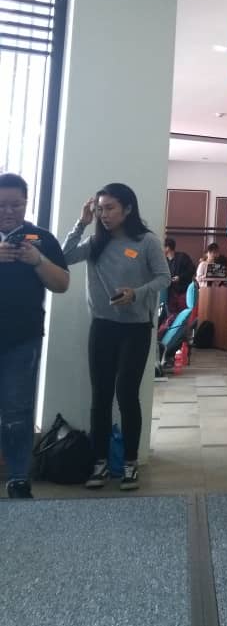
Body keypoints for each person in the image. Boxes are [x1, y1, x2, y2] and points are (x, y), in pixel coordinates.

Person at [62, 183, 170, 491]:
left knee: (126, 394)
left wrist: (136, 293)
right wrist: (81, 223)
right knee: (101, 396)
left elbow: (164, 277)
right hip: (102, 327)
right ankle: (100, 462)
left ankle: (130, 463)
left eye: (110, 208)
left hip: (135, 329)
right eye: (100, 209)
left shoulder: (146, 241)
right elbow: (62, 257)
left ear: (128, 209)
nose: (104, 214)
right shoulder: (95, 241)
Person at [0, 173, 70, 499]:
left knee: (17, 410)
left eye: (15, 205)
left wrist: (37, 260)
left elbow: (62, 284)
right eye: (1, 205)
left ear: (26, 203)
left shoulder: (41, 238)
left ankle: (18, 478)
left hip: (22, 338)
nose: (8, 211)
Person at [163, 237, 195, 317]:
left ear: (167, 248)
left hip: (183, 292)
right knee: (171, 316)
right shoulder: (164, 261)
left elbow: (192, 270)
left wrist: (180, 277)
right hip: (171, 293)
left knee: (183, 315)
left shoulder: (182, 257)